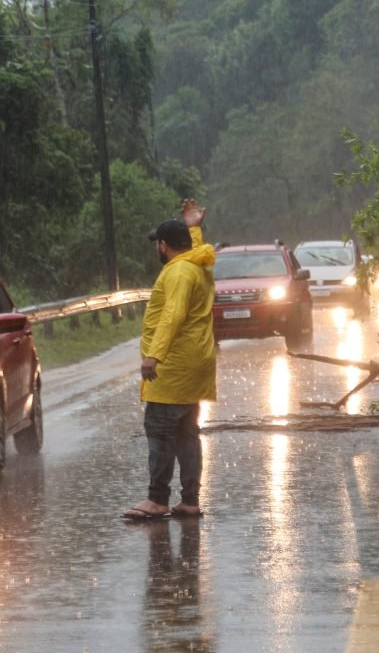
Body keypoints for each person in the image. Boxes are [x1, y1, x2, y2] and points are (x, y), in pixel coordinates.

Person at [122, 198, 217, 521]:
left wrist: (154, 355)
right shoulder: (198, 265)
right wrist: (194, 228)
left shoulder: (177, 273)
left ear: (163, 246)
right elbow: (198, 251)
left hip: (174, 367)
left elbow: (173, 316)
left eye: (157, 244)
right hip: (195, 365)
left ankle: (157, 499)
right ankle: (189, 500)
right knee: (187, 433)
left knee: (160, 430)